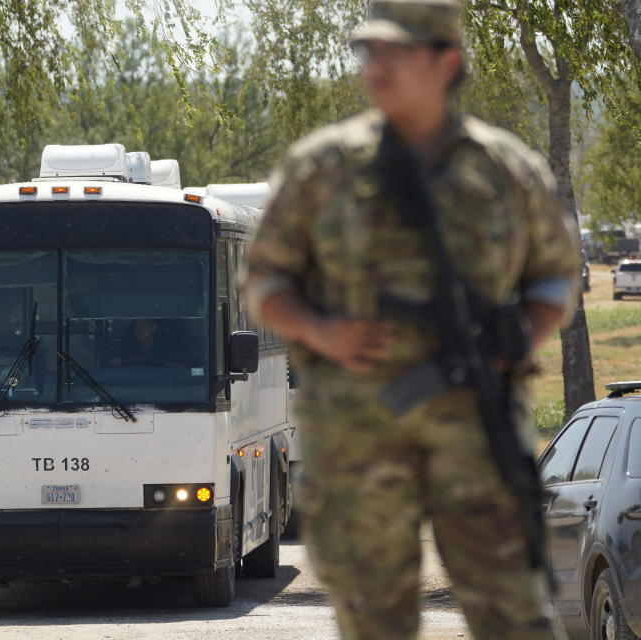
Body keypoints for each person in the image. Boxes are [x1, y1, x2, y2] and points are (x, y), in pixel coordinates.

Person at [243, 1, 580, 638]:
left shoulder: (505, 169)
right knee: (374, 622)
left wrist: (519, 339)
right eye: (368, 51)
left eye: (394, 52)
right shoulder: (324, 167)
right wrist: (324, 332)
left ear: (446, 61)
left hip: (477, 428)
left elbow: (557, 275)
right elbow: (264, 281)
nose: (375, 65)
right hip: (357, 434)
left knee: (514, 614)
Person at [110, 319, 182, 367]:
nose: (138, 331)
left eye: (143, 327)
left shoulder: (167, 345)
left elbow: (180, 367)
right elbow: (110, 364)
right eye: (136, 327)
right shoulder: (125, 346)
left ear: (154, 327)